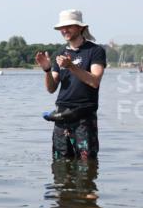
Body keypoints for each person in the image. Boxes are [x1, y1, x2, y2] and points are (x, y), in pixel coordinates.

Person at [35, 9, 107, 161]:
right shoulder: (59, 52)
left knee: (87, 165)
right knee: (60, 164)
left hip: (84, 117)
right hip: (61, 116)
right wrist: (47, 70)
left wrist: (71, 66)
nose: (64, 30)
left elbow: (94, 81)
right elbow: (51, 88)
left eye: (68, 26)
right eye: (62, 27)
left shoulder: (95, 51)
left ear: (80, 27)